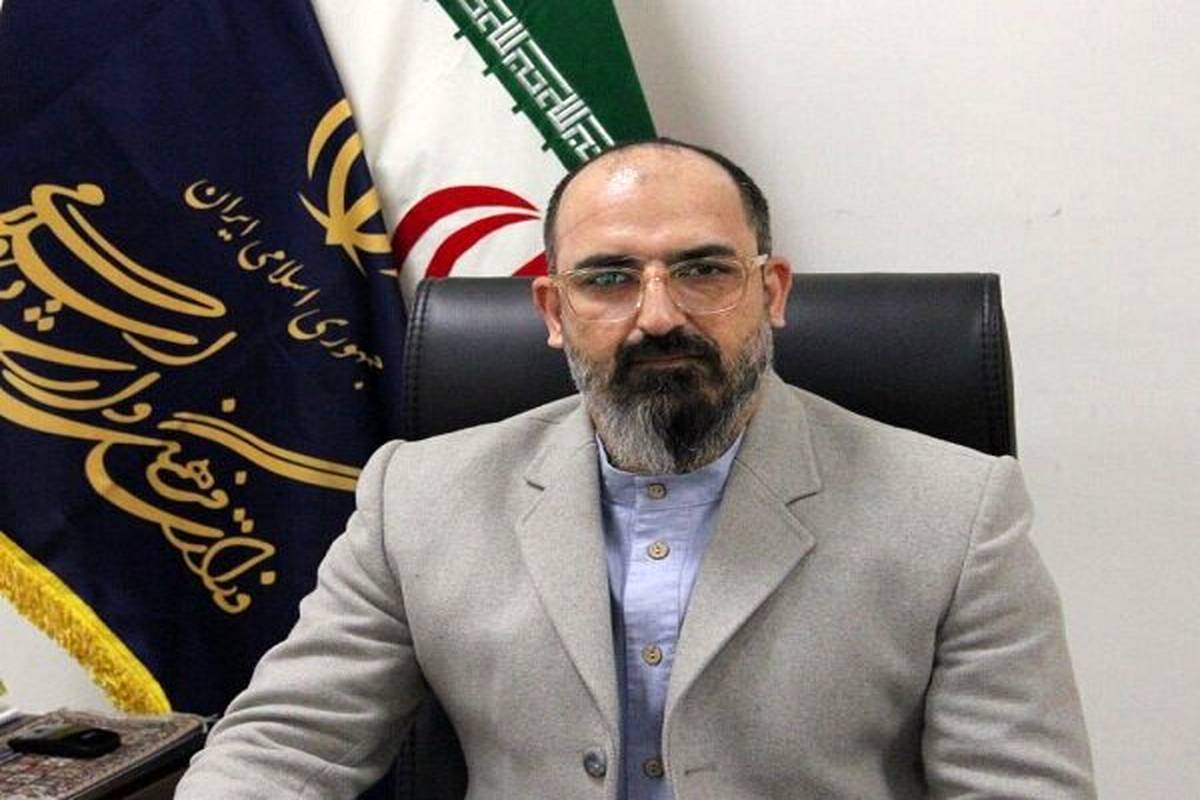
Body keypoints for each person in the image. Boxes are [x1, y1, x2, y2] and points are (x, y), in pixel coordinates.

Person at [175, 139, 1095, 799]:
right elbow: (286, 748)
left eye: (703, 272)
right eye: (609, 279)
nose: (658, 316)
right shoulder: (419, 496)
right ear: (552, 309)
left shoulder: (956, 512)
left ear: (771, 293)